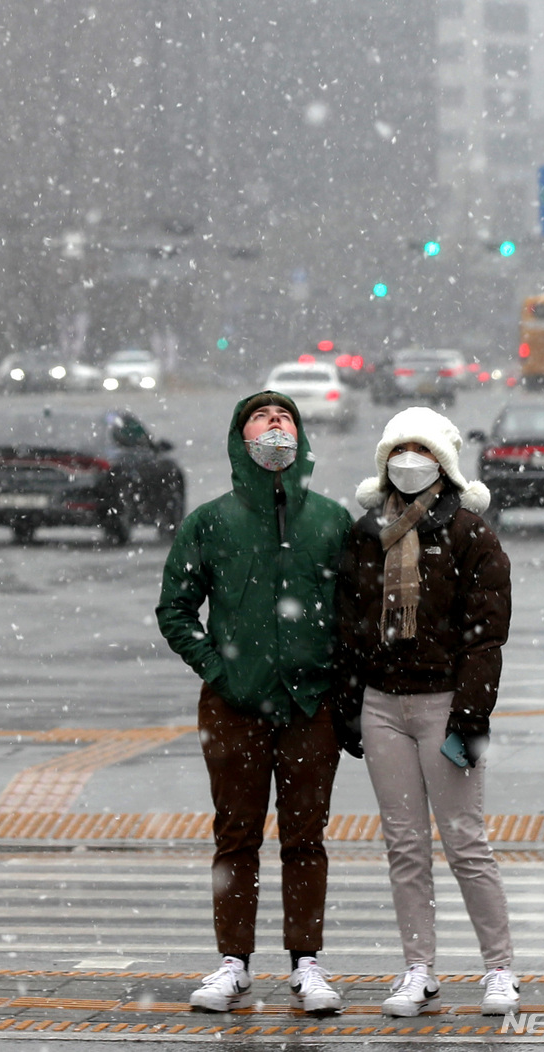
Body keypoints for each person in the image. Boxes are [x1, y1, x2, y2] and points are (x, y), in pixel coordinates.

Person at [156, 391, 352, 1015]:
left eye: (285, 418)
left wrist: (336, 691)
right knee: (236, 837)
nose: (275, 426)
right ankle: (233, 963)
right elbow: (175, 609)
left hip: (308, 707)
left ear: (300, 437)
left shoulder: (329, 520)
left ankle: (307, 964)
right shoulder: (210, 522)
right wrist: (219, 670)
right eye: (262, 419)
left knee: (305, 838)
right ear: (241, 440)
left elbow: (354, 615)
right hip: (233, 708)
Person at [335, 405, 518, 1018]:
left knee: (466, 841)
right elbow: (351, 627)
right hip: (384, 705)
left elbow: (486, 636)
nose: (408, 463)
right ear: (384, 463)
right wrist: (350, 702)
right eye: (398, 452)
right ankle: (419, 969)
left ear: (444, 464)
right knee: (405, 846)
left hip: (446, 704)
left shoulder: (470, 532)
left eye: (421, 453)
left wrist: (471, 716)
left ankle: (499, 969)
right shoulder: (366, 534)